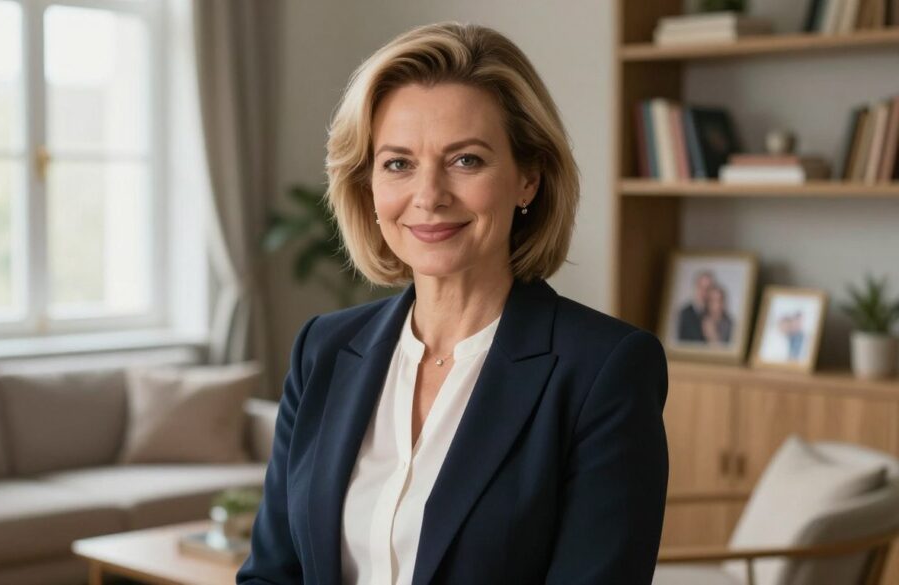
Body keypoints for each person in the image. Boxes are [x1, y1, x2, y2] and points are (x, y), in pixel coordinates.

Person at [237, 21, 669, 585]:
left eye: (466, 160)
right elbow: (271, 573)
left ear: (528, 178)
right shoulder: (322, 349)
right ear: (368, 185)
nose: (429, 196)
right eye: (398, 163)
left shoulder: (604, 371)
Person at [677, 270, 714, 343]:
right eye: (701, 287)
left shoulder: (714, 314)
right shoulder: (684, 314)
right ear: (695, 287)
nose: (704, 292)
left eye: (708, 288)